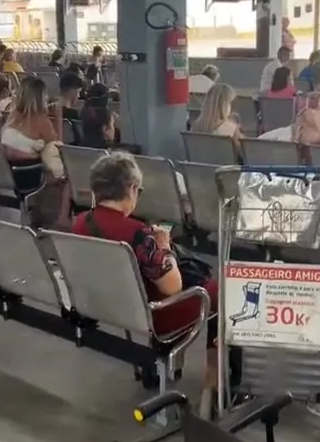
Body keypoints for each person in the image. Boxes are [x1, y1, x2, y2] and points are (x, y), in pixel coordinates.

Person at [75, 153, 231, 401]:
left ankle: (168, 356)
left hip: (109, 305)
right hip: (155, 313)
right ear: (130, 188)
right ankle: (214, 376)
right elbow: (173, 287)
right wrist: (163, 244)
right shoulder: (138, 233)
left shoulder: (80, 222)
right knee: (224, 291)